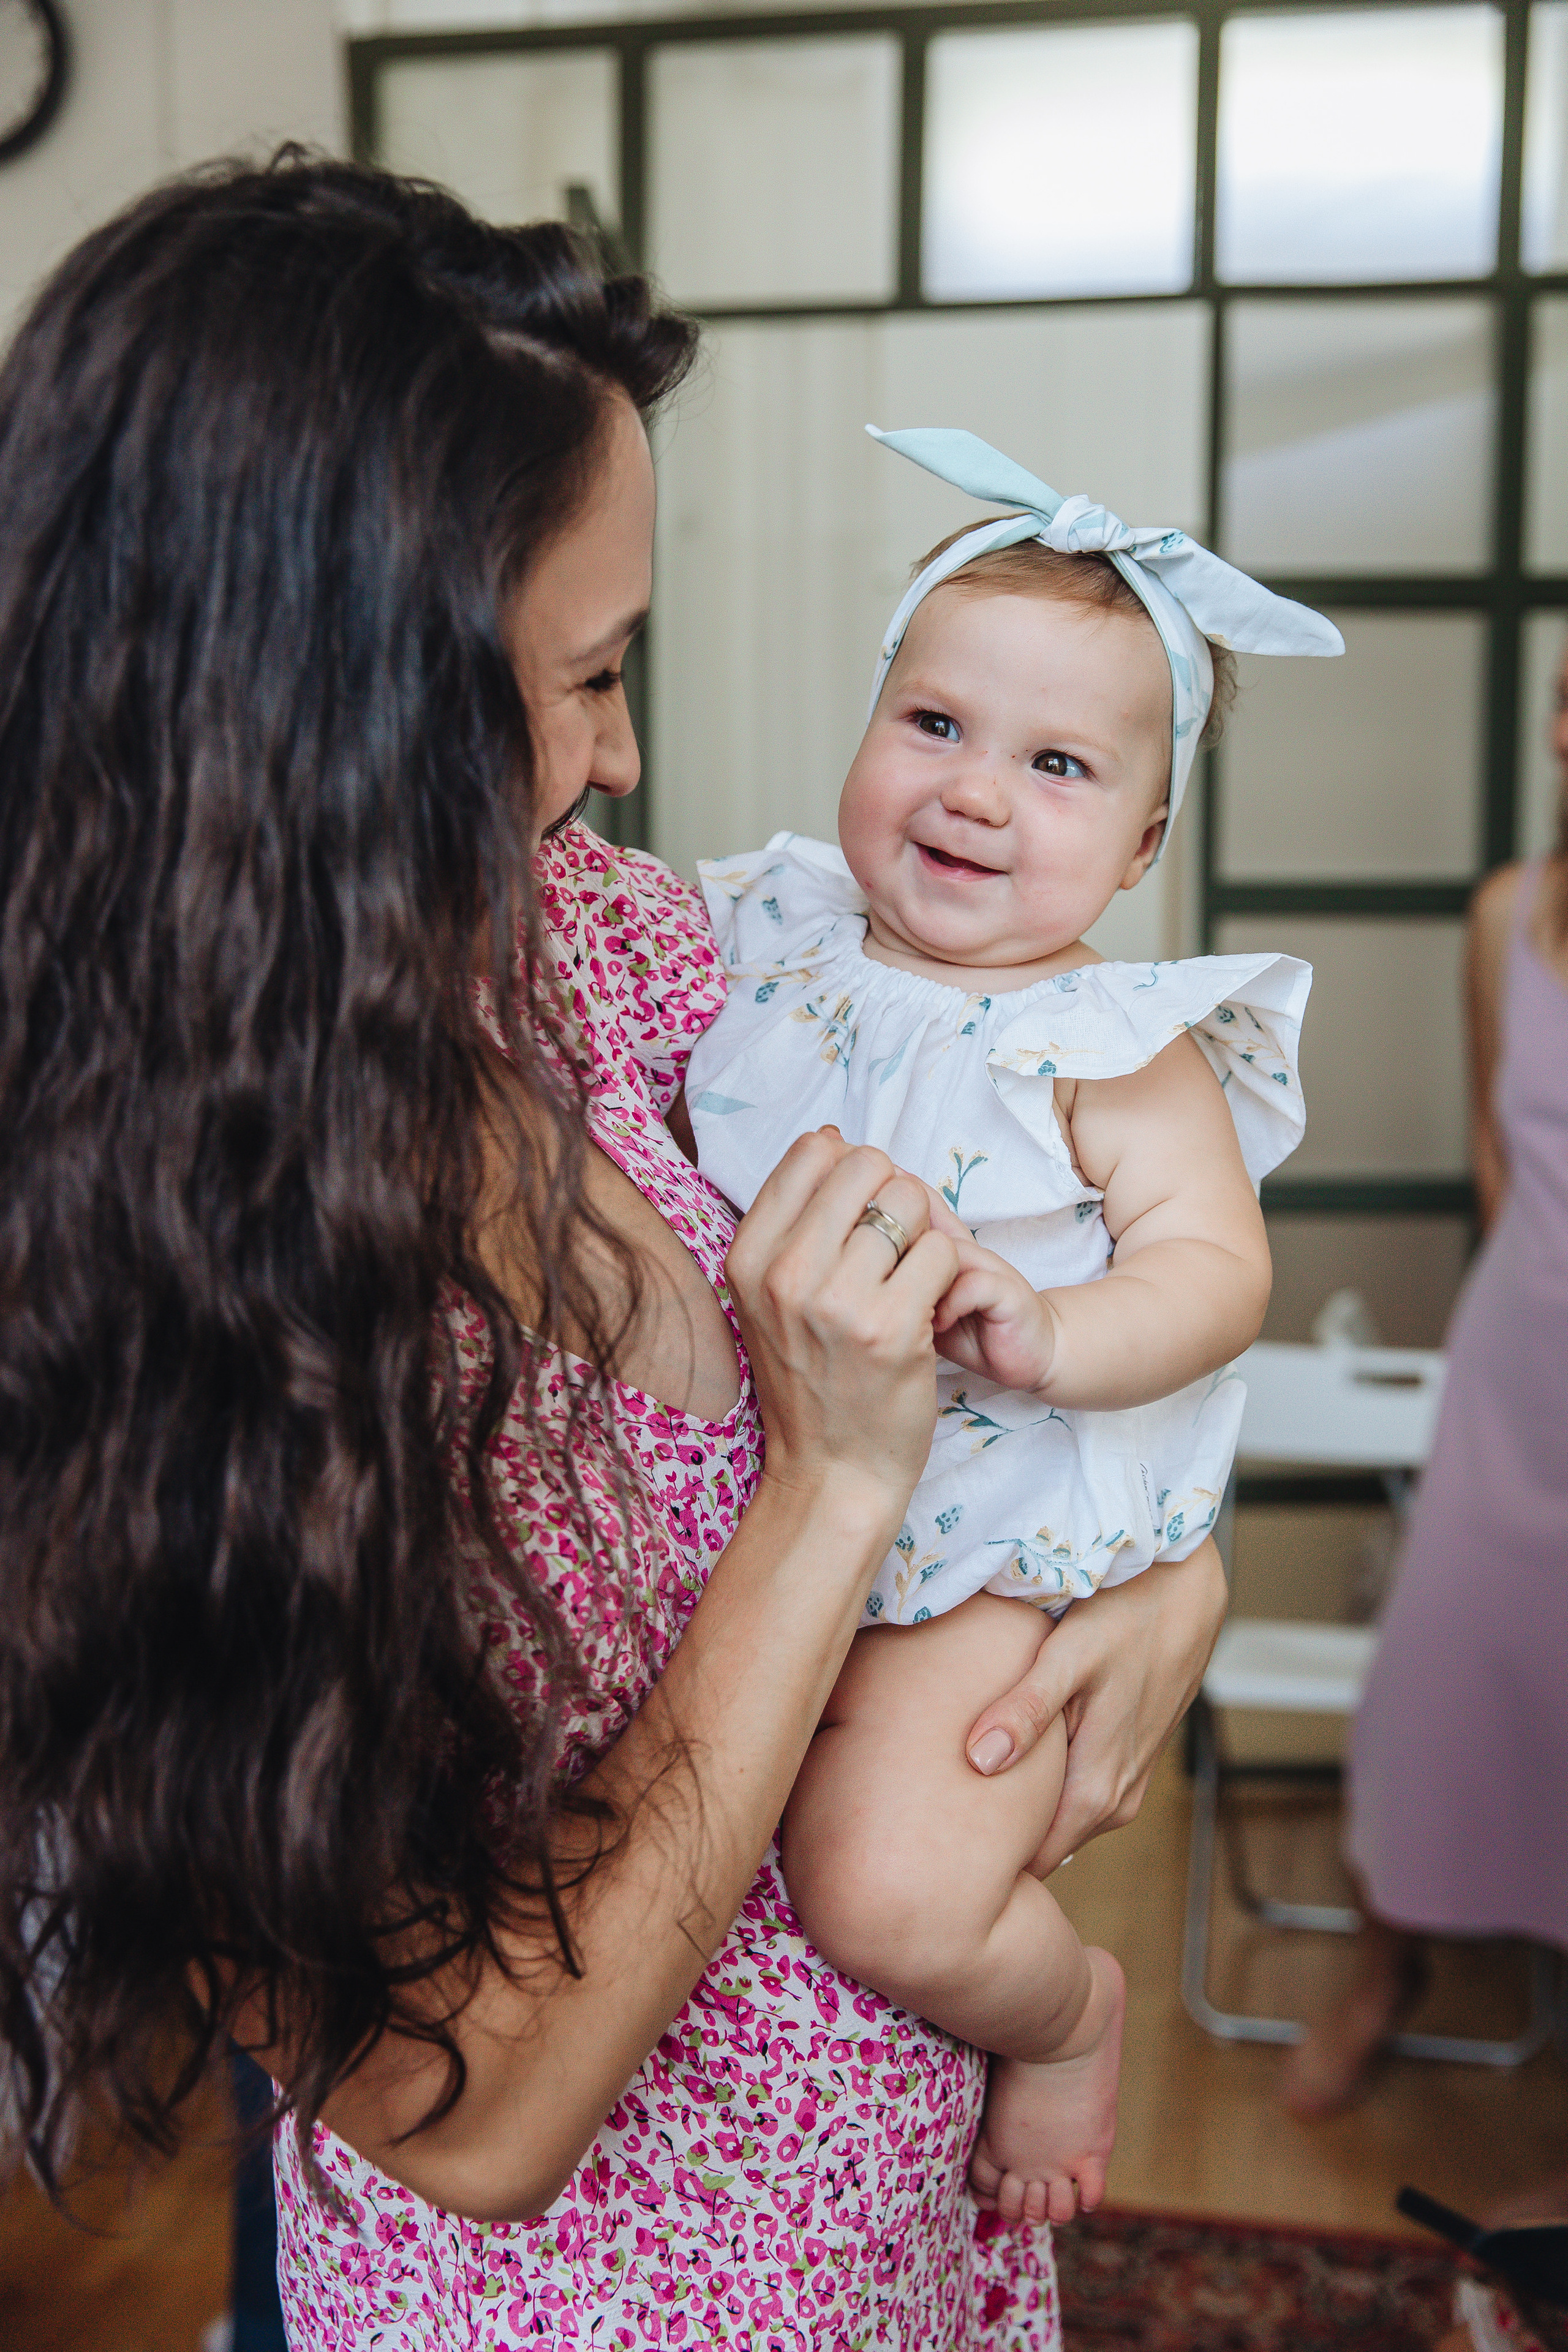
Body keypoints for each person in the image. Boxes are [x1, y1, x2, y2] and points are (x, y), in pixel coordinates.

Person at [0, 159, 1231, 2350]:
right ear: (320, 728)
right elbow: (462, 2110)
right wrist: (836, 1488)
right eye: (581, 679)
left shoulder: (630, 970)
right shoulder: (120, 1297)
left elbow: (1053, 1218)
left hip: (903, 2225)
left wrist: (1170, 1578)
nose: (629, 757)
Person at [685, 428, 1336, 2226]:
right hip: (755, 1512)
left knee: (889, 1889)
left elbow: (1216, 1272)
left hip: (975, 1549)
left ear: (1140, 845)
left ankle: (1065, 2014)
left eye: (1056, 765)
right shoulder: (765, 929)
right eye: (935, 726)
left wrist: (1056, 1330)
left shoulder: (1116, 1045)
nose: (975, 793)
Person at [1280, 634, 1568, 2133]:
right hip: (1520, 1362)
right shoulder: (1504, 917)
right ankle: (1380, 1974)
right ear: (1558, 726)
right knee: (1435, 1682)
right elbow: (1492, 1144)